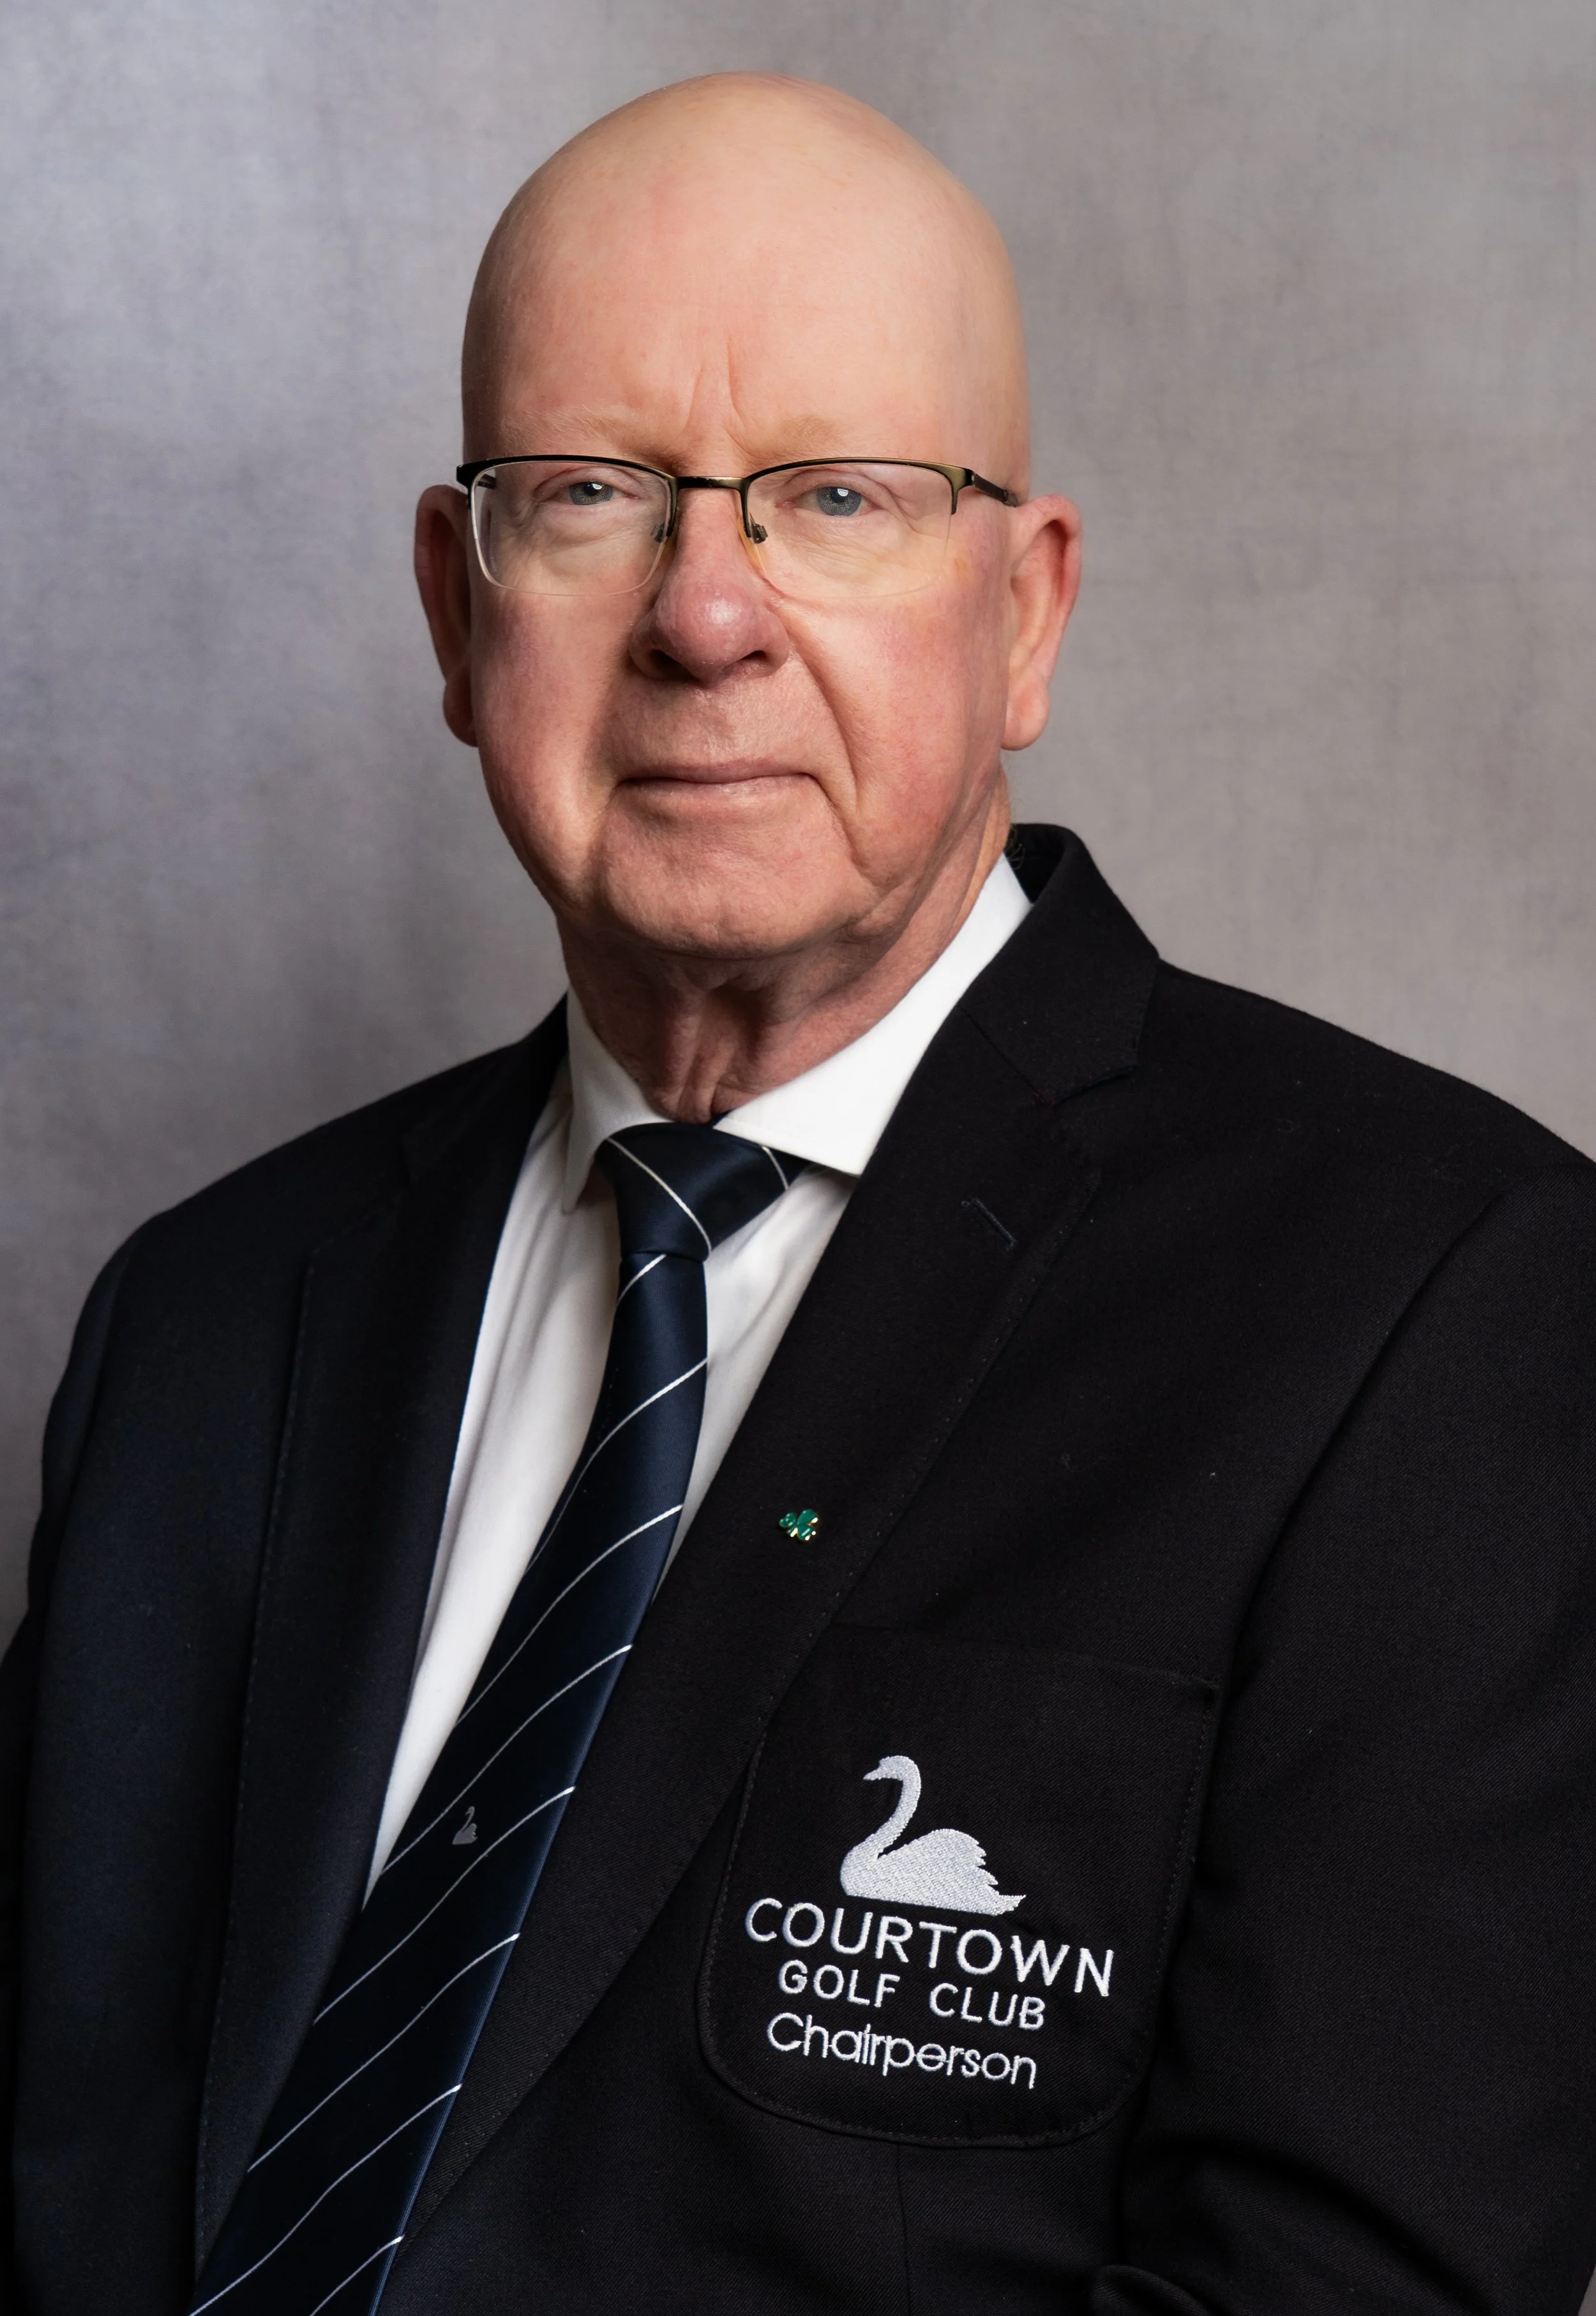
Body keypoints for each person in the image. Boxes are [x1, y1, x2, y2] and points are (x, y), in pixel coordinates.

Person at [4, 69, 1596, 2316]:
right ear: (459, 612)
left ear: (1023, 614)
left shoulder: (1435, 1304)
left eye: (836, 497)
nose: (707, 616)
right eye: (586, 495)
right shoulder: (205, 1319)